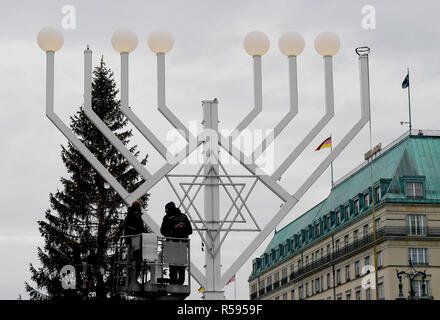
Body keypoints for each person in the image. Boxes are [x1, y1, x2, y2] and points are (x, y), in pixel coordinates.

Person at [160, 201, 192, 285]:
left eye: (166, 209)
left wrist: (171, 232)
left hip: (171, 244)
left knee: (172, 264)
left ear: (168, 209)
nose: (165, 211)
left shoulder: (167, 217)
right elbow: (190, 231)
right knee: (181, 264)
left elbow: (162, 230)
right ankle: (181, 281)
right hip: (183, 245)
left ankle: (173, 281)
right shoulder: (184, 217)